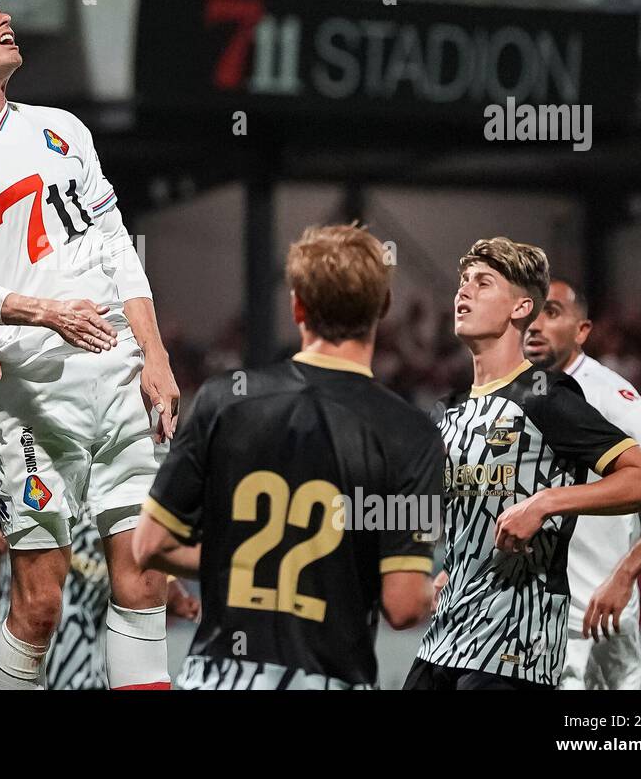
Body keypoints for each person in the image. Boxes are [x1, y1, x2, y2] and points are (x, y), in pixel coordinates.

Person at [0, 0, 178, 690]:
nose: (5, 19)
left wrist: (156, 355)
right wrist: (48, 312)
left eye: (0, 9)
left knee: (141, 579)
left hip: (120, 381)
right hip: (36, 398)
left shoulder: (63, 128)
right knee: (41, 601)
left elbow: (118, 247)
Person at [134, 224, 443, 689]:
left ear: (297, 305)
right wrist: (431, 596)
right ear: (383, 306)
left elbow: (150, 545)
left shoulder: (225, 401)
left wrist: (244, 561)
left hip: (219, 678)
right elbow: (403, 607)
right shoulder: (410, 433)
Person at [407, 238, 641, 690]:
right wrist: (454, 564)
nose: (462, 293)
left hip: (514, 651)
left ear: (520, 307)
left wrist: (545, 503)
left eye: (483, 283)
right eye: (463, 282)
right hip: (444, 639)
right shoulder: (448, 411)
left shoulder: (545, 397)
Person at [524, 276, 641, 689]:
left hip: (591, 623)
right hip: (529, 619)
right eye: (530, 312)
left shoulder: (608, 395)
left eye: (551, 313)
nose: (535, 324)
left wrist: (625, 574)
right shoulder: (514, 393)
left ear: (582, 330)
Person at [0, 501, 199, 690]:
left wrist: (183, 602)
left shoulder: (111, 498)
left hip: (84, 676)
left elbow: (154, 574)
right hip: (19, 668)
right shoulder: (32, 487)